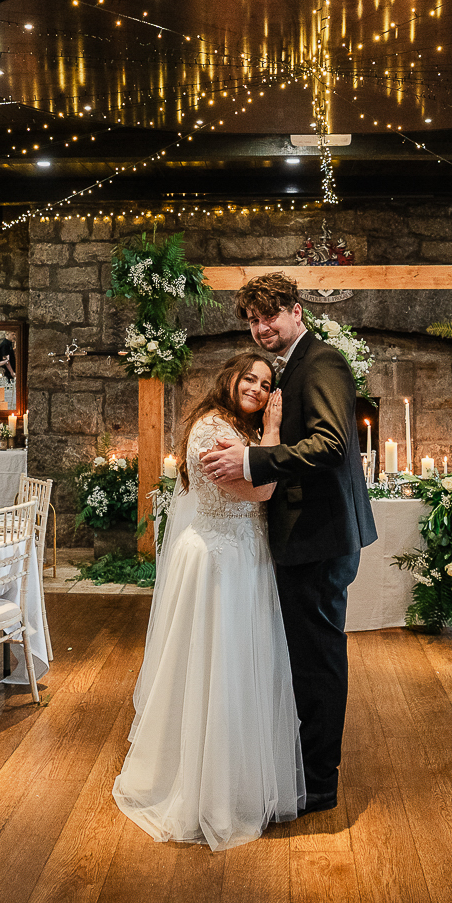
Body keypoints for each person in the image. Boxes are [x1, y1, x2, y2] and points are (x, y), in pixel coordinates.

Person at [200, 272, 376, 815]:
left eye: (269, 316)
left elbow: (328, 444)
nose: (261, 328)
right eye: (253, 321)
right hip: (307, 536)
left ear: (296, 311)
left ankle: (320, 782)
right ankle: (306, 764)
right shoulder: (291, 366)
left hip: (318, 538)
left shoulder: (321, 362)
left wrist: (252, 460)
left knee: (318, 659)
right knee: (305, 656)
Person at [112, 352, 304, 850]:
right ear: (231, 378)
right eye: (251, 379)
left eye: (266, 385)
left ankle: (238, 777)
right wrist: (275, 429)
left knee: (239, 670)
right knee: (211, 668)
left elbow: (255, 480)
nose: (258, 390)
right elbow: (259, 491)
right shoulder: (211, 428)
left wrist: (262, 444)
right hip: (219, 559)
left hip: (245, 556)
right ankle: (206, 788)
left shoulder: (235, 429)